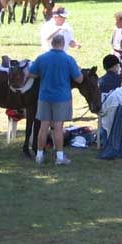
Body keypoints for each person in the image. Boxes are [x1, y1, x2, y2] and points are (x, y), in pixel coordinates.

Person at [26, 34, 83, 166]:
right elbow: (79, 79)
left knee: (43, 127)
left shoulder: (42, 58)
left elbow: (31, 73)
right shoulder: (68, 59)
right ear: (63, 44)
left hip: (44, 96)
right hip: (62, 97)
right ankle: (59, 157)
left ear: (52, 44)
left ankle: (39, 155)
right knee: (57, 128)